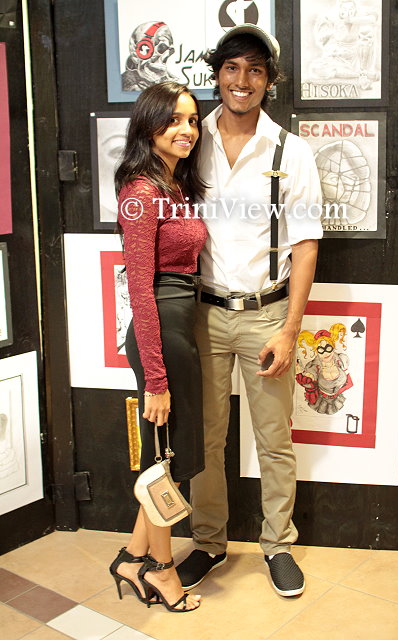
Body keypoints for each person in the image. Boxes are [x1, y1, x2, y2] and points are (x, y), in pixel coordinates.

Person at [176, 25, 323, 597]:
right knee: (206, 439)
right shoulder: (190, 140)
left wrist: (290, 330)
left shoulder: (291, 151)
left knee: (274, 440)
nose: (243, 80)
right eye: (232, 68)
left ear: (269, 80)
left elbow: (305, 245)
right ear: (217, 74)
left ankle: (277, 545)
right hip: (204, 314)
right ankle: (208, 542)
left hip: (267, 315)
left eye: (255, 70)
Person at [109, 81, 207, 612]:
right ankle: (163, 571)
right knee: (163, 459)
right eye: (173, 120)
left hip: (179, 324)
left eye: (192, 120)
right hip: (161, 330)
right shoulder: (142, 194)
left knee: (166, 452)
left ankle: (131, 558)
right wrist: (156, 380)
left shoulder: (172, 184)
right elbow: (141, 291)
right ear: (149, 126)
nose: (186, 130)